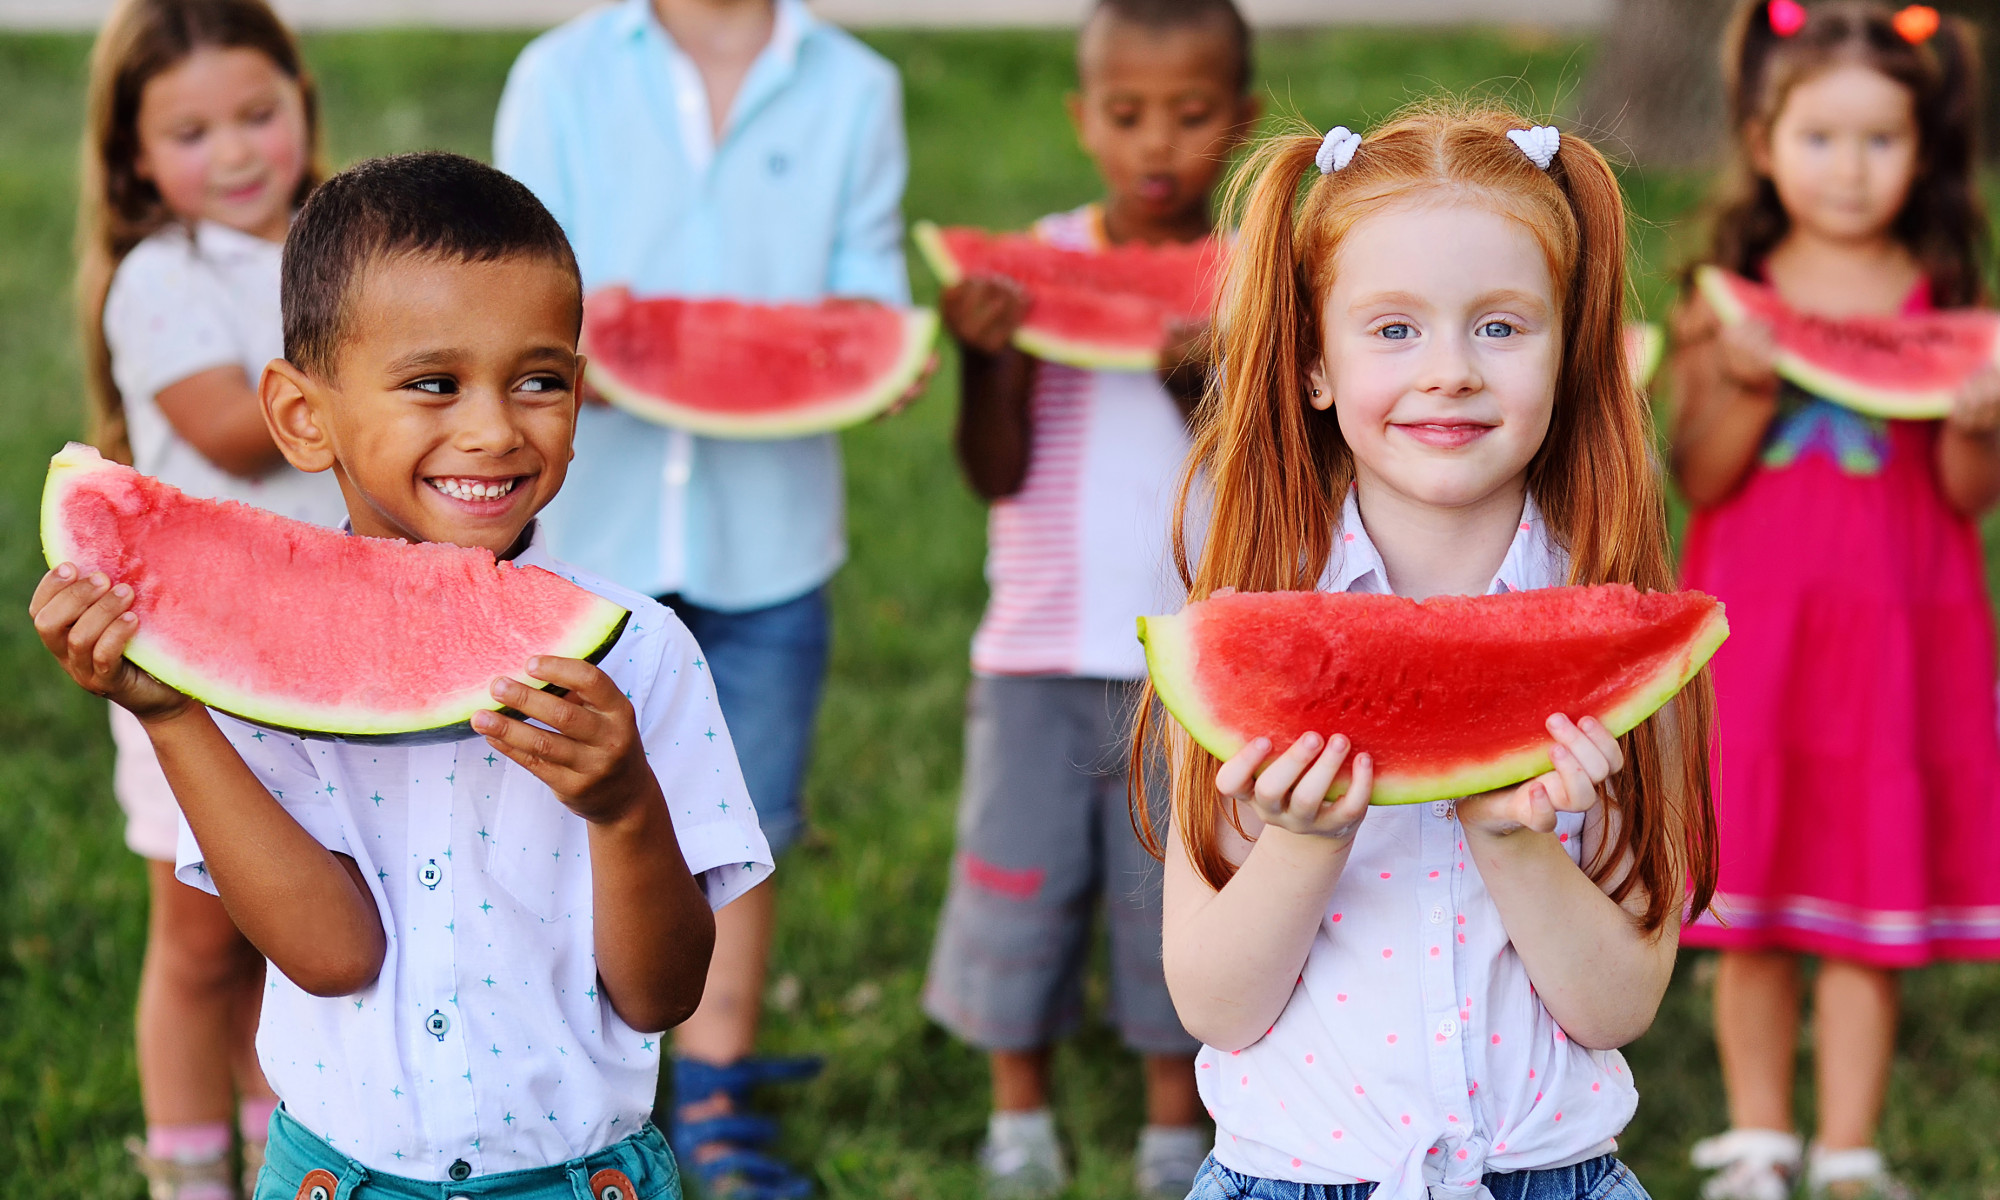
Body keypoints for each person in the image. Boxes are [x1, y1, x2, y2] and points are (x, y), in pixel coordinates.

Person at [31, 151, 774, 1200]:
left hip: (579, 1177)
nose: (493, 428)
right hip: (335, 1178)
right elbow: (332, 957)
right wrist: (171, 718)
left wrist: (623, 810)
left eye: (540, 380)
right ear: (301, 416)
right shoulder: (251, 659)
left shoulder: (637, 651)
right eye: (434, 384)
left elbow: (660, 995)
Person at [1138, 101, 1721, 1200]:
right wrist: (1303, 842)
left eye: (1499, 328)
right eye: (1393, 329)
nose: (1449, 370)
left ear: (1567, 353)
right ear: (1314, 364)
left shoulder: (1620, 652)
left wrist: (1513, 841)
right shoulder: (1252, 619)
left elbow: (1616, 1007)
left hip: (1549, 1175)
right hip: (1293, 1176)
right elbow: (1214, 1005)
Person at [491, 4, 908, 1190]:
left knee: (751, 822)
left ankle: (717, 1085)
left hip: (767, 544)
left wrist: (868, 353)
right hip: (584, 540)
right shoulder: (557, 74)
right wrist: (569, 355)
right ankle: (561, 1055)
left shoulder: (855, 85)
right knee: (552, 814)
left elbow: (864, 298)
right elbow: (513, 290)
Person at [919, 1, 1256, 1196]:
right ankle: (1019, 1114)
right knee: (1018, 880)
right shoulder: (1030, 264)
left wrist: (1193, 373)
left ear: (1246, 123)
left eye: (1190, 114)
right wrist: (986, 362)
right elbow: (992, 472)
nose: (1155, 143)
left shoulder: (1255, 286)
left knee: (1172, 883)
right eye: (1125, 115)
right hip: (1036, 649)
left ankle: (1176, 1124)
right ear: (1081, 120)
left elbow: (1263, 468)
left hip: (1198, 657)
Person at [1668, 4, 2000, 1198]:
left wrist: (1979, 423)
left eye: (1879, 140)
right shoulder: (1726, 299)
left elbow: (1967, 497)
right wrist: (1742, 388)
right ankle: (1757, 1142)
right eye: (1820, 138)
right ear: (1762, 140)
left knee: (1869, 907)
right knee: (1748, 910)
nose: (1849, 168)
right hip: (1755, 644)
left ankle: (1849, 1152)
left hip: (1897, 647)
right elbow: (1696, 472)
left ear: (1924, 150)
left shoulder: (1944, 293)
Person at [75, 1, 348, 1194]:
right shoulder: (158, 276)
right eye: (191, 133)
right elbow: (236, 434)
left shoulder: (341, 249)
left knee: (291, 922)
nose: (235, 152)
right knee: (196, 938)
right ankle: (188, 1175)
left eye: (257, 113)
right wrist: (395, 386)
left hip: (323, 649)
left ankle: (272, 1141)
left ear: (301, 102)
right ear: (134, 157)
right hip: (184, 659)